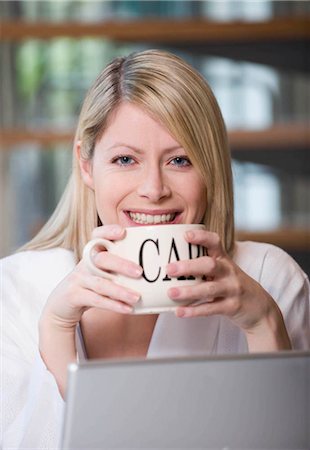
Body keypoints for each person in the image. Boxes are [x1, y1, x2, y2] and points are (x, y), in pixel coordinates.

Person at [1, 49, 309, 448]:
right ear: (87, 165)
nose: (153, 190)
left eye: (180, 160)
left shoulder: (268, 276)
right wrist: (57, 333)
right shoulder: (13, 294)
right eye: (126, 159)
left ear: (210, 170)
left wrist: (264, 323)